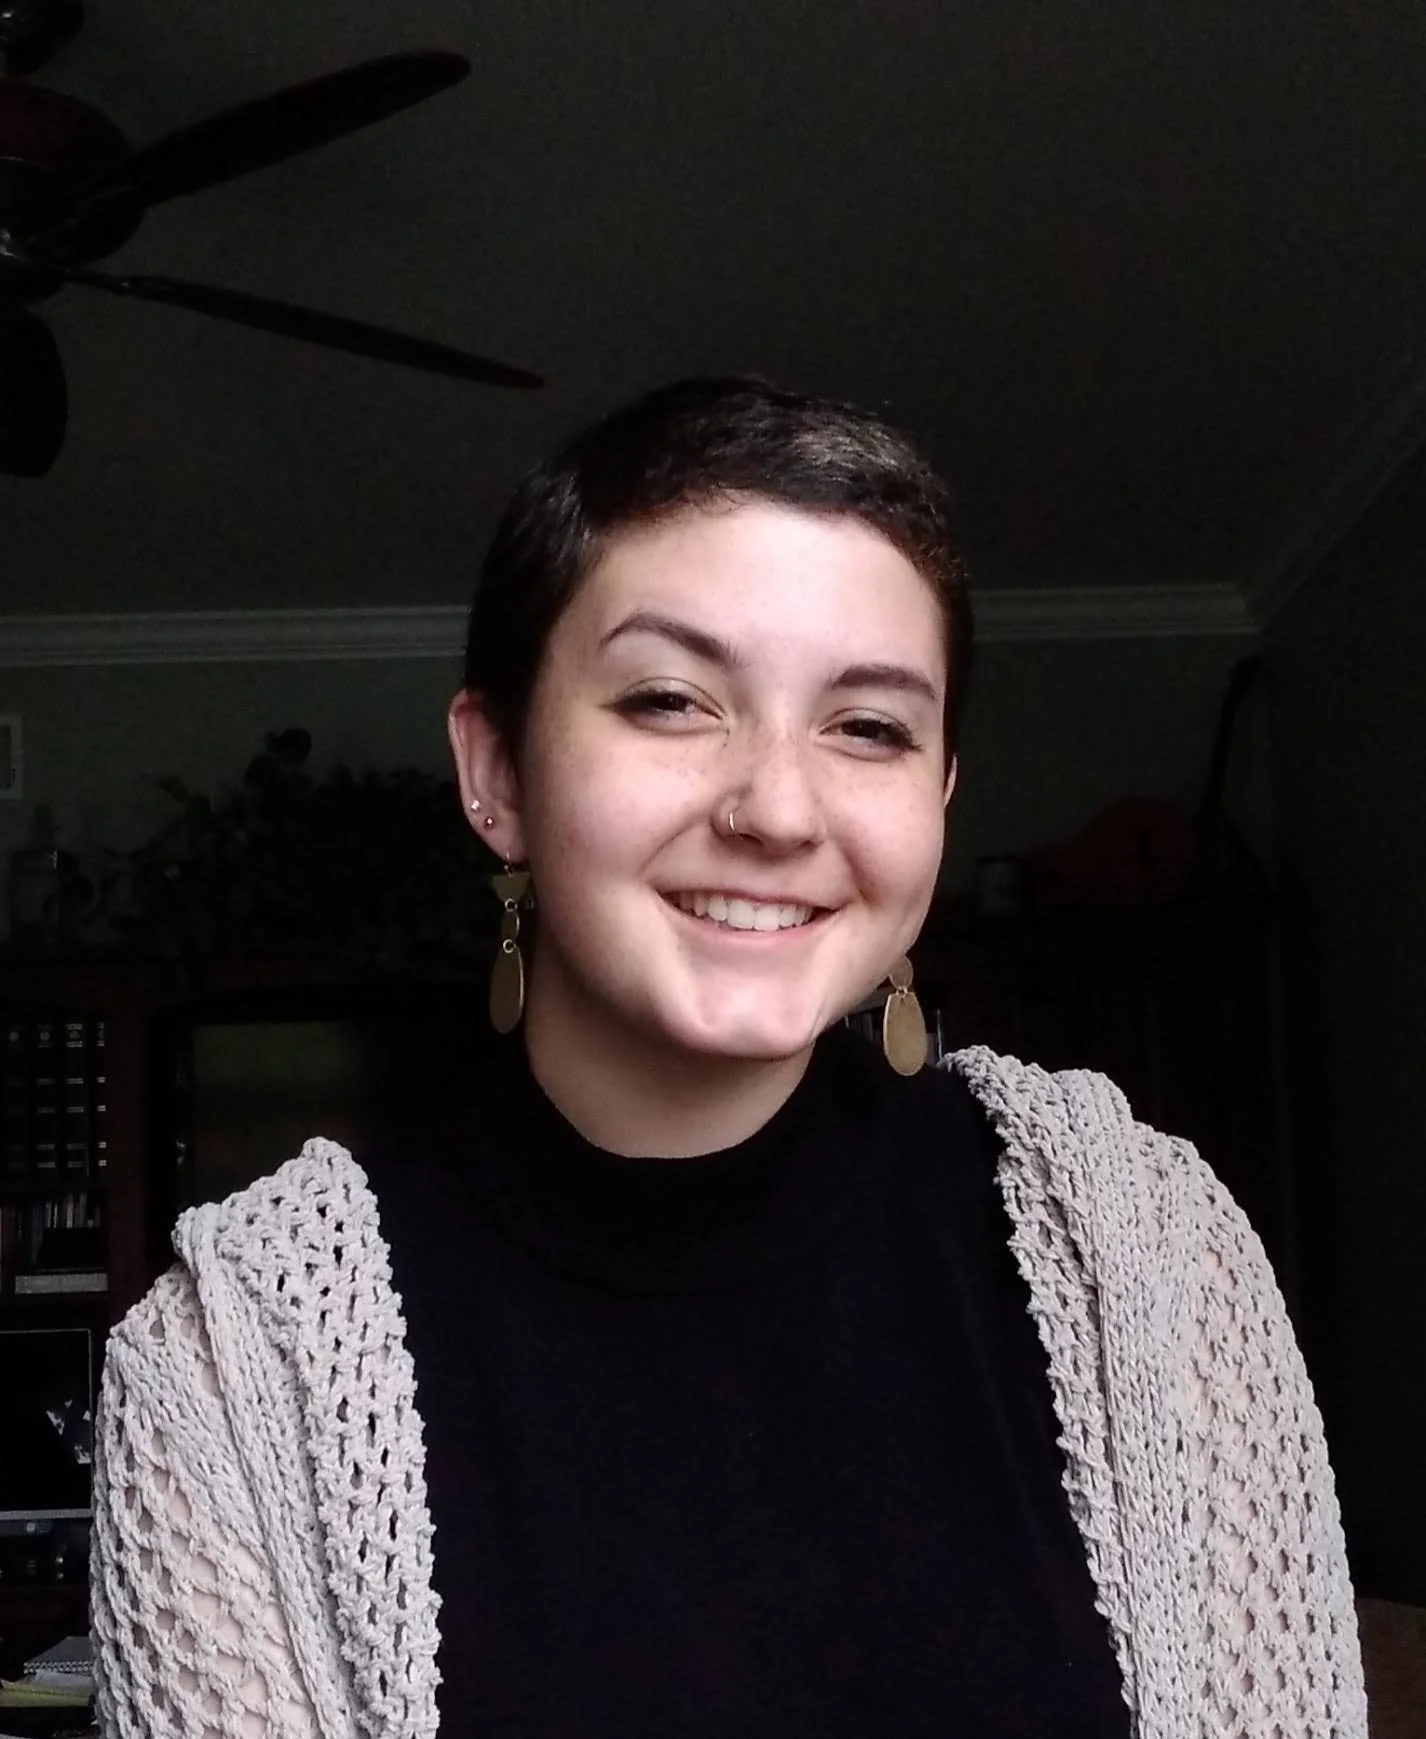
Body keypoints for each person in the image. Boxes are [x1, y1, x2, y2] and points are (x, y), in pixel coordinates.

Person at [88, 377, 1366, 1739]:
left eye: (867, 725)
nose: (775, 808)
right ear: (497, 772)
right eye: (668, 699)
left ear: (935, 797)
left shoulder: (1156, 1253)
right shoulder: (230, 1370)